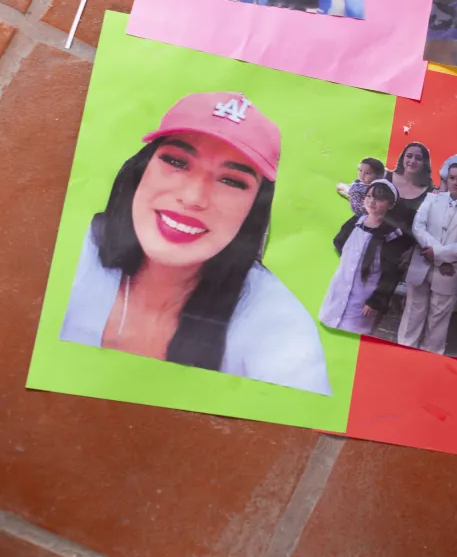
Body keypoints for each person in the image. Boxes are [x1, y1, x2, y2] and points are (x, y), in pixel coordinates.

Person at [59, 91, 331, 396]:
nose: (193, 198)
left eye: (231, 181)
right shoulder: (68, 251)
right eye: (176, 161)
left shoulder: (279, 327)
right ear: (140, 169)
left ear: (254, 209)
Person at [399, 163, 457, 353]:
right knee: (412, 312)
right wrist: (437, 255)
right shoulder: (432, 199)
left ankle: (430, 357)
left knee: (438, 319)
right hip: (423, 263)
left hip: (449, 271)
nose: (455, 182)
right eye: (452, 178)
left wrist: (438, 254)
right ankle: (404, 350)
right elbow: (418, 227)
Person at [319, 179, 413, 335]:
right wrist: (352, 262)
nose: (372, 201)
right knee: (329, 326)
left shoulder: (391, 235)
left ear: (391, 205)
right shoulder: (356, 222)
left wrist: (375, 301)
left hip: (363, 298)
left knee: (351, 333)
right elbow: (339, 241)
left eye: (379, 198)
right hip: (340, 288)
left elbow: (391, 273)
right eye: (369, 196)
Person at [386, 142, 434, 231]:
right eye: (409, 156)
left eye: (418, 158)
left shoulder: (430, 193)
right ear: (403, 158)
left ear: (425, 163)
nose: (412, 161)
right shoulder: (385, 177)